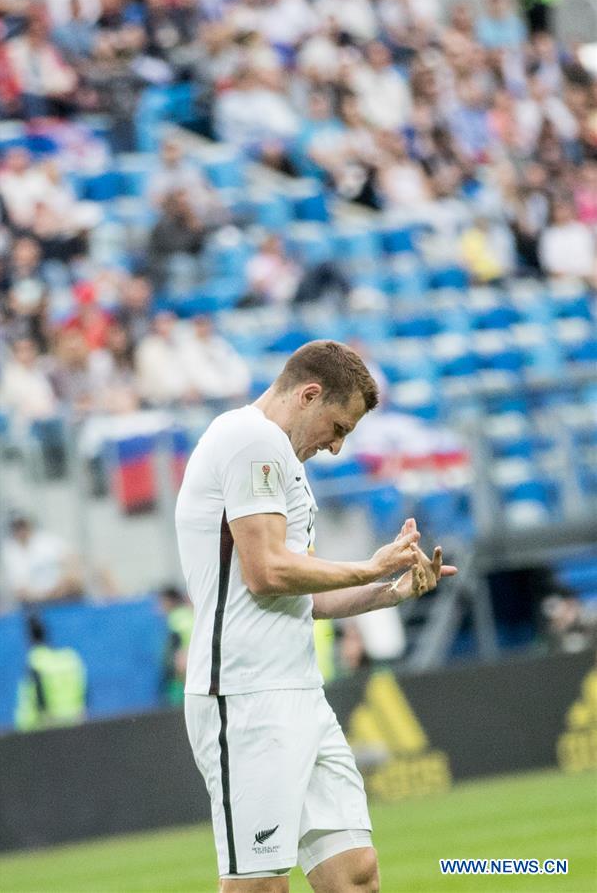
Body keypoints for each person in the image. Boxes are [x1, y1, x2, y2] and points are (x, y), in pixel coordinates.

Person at [175, 340, 456, 891]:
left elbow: (304, 597)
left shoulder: (282, 461)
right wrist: (366, 566)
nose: (336, 446)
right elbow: (266, 573)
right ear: (308, 395)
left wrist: (391, 589)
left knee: (355, 874)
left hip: (299, 691)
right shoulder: (249, 439)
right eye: (338, 426)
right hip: (246, 696)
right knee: (260, 885)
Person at [15, 614, 87, 732]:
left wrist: (46, 717)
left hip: (42, 729)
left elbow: (39, 695)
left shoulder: (35, 661)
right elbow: (84, 690)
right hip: (74, 722)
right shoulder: (70, 659)